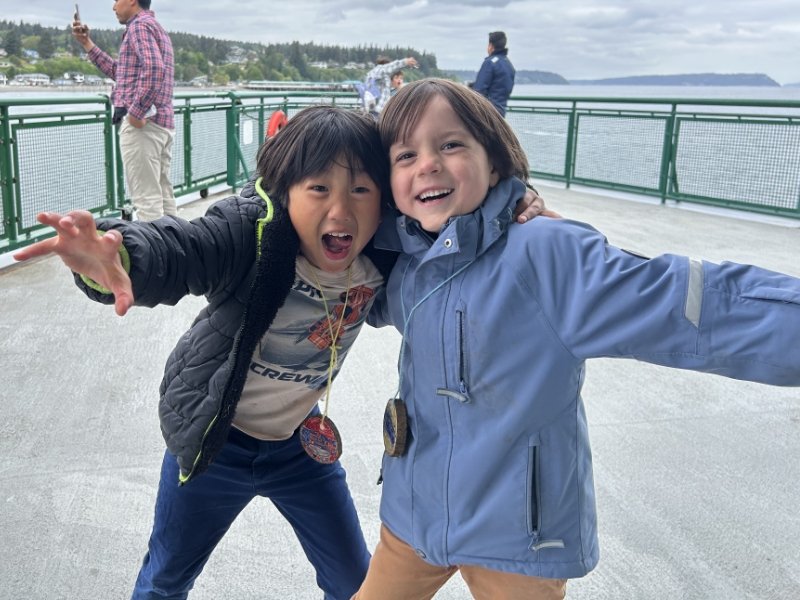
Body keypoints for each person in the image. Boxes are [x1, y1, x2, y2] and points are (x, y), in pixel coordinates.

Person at [12, 105, 548, 599]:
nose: (341, 210)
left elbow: (451, 234)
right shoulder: (251, 232)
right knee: (166, 578)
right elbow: (185, 248)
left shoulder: (383, 251)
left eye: (362, 190)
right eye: (318, 188)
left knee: (354, 580)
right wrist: (119, 256)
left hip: (299, 447)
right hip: (214, 443)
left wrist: (509, 204)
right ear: (283, 191)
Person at [353, 78, 800, 599]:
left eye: (450, 144)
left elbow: (692, 306)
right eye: (405, 155)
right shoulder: (405, 262)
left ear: (494, 161)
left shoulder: (546, 254)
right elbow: (326, 245)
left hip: (518, 532)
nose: (426, 164)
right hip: (415, 515)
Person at [72, 0, 176, 222]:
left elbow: (155, 68)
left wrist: (137, 113)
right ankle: (180, 252)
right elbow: (121, 73)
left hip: (145, 126)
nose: (113, 7)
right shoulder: (153, 26)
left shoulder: (139, 27)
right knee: (163, 196)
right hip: (161, 123)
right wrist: (87, 43)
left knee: (147, 200)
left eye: (116, 0)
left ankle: (156, 256)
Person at [473, 30, 515, 116]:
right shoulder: (508, 64)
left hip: (488, 112)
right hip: (501, 112)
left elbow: (479, 90)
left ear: (491, 46)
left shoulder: (489, 63)